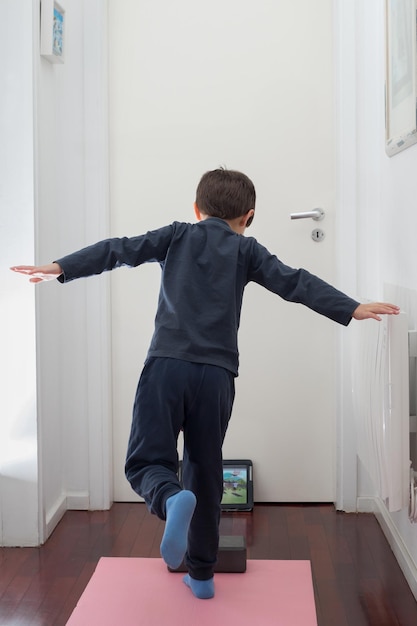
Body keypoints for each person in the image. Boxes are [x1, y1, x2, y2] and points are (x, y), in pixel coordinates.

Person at [10, 168, 400, 600]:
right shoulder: (246, 250)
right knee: (205, 470)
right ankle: (201, 575)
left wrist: (62, 267)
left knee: (146, 462)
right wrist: (351, 306)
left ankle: (168, 498)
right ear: (248, 216)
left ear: (196, 210)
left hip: (166, 367)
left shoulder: (177, 235)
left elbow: (117, 250)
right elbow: (295, 282)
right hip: (216, 376)